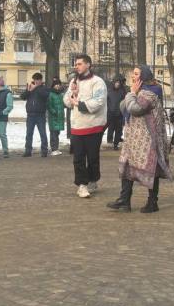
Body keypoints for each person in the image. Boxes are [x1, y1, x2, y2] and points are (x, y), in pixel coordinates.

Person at [107, 66, 173, 213]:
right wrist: (132, 94)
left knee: (151, 169)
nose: (133, 76)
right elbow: (123, 107)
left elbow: (136, 109)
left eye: (136, 74)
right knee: (127, 166)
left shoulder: (151, 92)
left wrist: (131, 94)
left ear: (144, 76)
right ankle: (124, 201)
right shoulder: (137, 91)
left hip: (148, 139)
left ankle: (152, 202)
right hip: (133, 138)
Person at [64, 54, 107, 198]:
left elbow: (99, 102)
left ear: (88, 65)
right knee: (78, 157)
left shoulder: (98, 82)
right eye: (76, 64)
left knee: (93, 157)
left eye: (80, 64)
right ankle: (82, 185)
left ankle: (93, 179)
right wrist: (73, 94)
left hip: (93, 125)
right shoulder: (73, 81)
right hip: (77, 126)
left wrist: (79, 104)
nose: (77, 66)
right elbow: (66, 101)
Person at [21, 72, 50, 157]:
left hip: (40, 115)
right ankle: (28, 151)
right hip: (30, 115)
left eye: (37, 80)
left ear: (41, 80)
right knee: (29, 133)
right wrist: (28, 90)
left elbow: (45, 95)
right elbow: (22, 97)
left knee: (42, 133)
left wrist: (36, 88)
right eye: (34, 80)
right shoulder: (30, 88)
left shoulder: (44, 88)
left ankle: (44, 151)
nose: (36, 81)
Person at [106, 76, 128, 150]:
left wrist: (122, 111)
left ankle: (116, 144)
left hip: (119, 114)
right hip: (110, 113)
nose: (117, 84)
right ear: (113, 82)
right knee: (111, 127)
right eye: (116, 82)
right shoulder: (109, 91)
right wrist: (108, 109)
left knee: (118, 130)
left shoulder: (122, 92)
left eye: (118, 82)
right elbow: (106, 101)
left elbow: (125, 102)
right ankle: (109, 139)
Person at [47, 78, 66, 156]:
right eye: (56, 84)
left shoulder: (61, 94)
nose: (58, 86)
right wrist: (53, 112)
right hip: (53, 117)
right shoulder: (51, 94)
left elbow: (63, 104)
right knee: (53, 133)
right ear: (53, 85)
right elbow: (49, 105)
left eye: (59, 84)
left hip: (60, 116)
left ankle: (56, 148)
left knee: (57, 133)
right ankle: (53, 148)